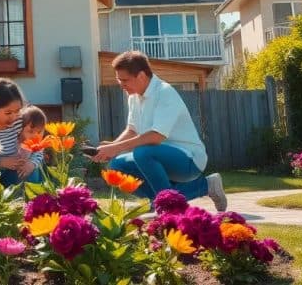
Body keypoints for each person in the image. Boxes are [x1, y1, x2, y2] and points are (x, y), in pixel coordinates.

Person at [92, 51, 227, 211]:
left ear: (141, 76)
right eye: (119, 80)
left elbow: (156, 136)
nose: (121, 85)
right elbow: (132, 130)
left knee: (142, 152)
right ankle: (161, 201)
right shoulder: (134, 97)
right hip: (158, 157)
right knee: (116, 166)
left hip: (189, 161)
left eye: (125, 80)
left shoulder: (164, 92)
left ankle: (180, 199)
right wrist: (111, 149)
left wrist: (116, 148)